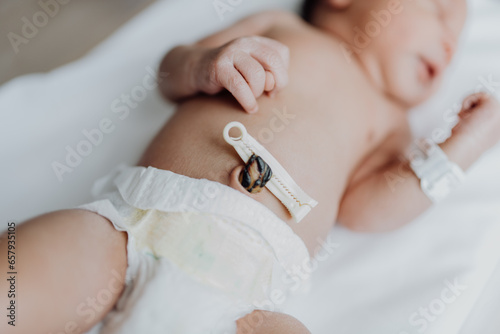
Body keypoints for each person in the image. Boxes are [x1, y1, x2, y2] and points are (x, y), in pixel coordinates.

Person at [2, 0, 500, 333]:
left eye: (456, 32)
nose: (452, 42)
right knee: (23, 272)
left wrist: (454, 154)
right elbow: (170, 67)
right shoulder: (278, 28)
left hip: (249, 301)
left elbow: (367, 209)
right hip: (135, 228)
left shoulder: (393, 125)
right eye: (439, 11)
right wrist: (204, 64)